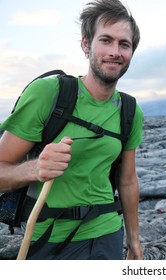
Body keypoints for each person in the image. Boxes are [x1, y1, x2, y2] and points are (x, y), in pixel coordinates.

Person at [0, 0, 144, 260]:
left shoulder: (130, 110)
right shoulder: (48, 93)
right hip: (50, 237)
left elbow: (128, 180)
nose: (115, 51)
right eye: (106, 40)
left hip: (108, 234)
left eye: (125, 44)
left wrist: (133, 239)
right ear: (86, 44)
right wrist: (34, 169)